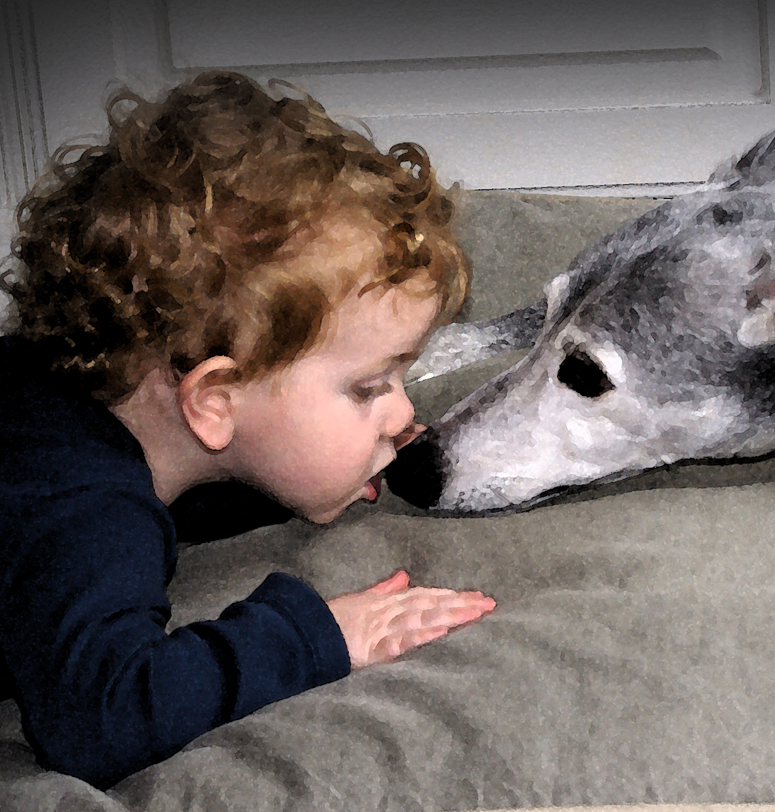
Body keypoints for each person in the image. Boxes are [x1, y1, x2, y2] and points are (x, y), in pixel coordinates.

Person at [0, 70, 495, 790]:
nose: (402, 415)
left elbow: (210, 472)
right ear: (214, 400)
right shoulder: (83, 507)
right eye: (367, 387)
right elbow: (102, 720)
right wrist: (316, 635)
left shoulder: (81, 404)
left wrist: (298, 476)